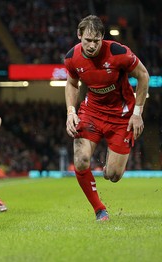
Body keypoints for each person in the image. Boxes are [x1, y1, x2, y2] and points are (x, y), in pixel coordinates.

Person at [64, 15, 149, 221]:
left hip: (121, 116)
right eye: (87, 40)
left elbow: (143, 75)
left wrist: (137, 114)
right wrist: (70, 112)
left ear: (103, 37)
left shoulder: (119, 53)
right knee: (81, 159)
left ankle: (109, 167)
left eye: (96, 41)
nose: (92, 46)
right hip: (91, 112)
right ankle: (99, 210)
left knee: (114, 176)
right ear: (79, 36)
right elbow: (72, 83)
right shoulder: (71, 57)